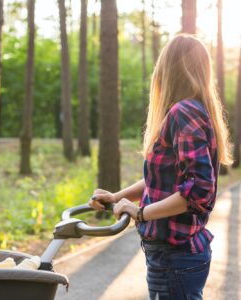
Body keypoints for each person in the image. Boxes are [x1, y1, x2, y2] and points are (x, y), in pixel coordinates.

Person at [88, 34, 233, 300]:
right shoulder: (189, 111)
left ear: (168, 69)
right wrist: (117, 197)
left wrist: (140, 213)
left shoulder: (184, 113)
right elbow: (162, 180)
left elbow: (198, 191)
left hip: (174, 256)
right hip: (173, 255)